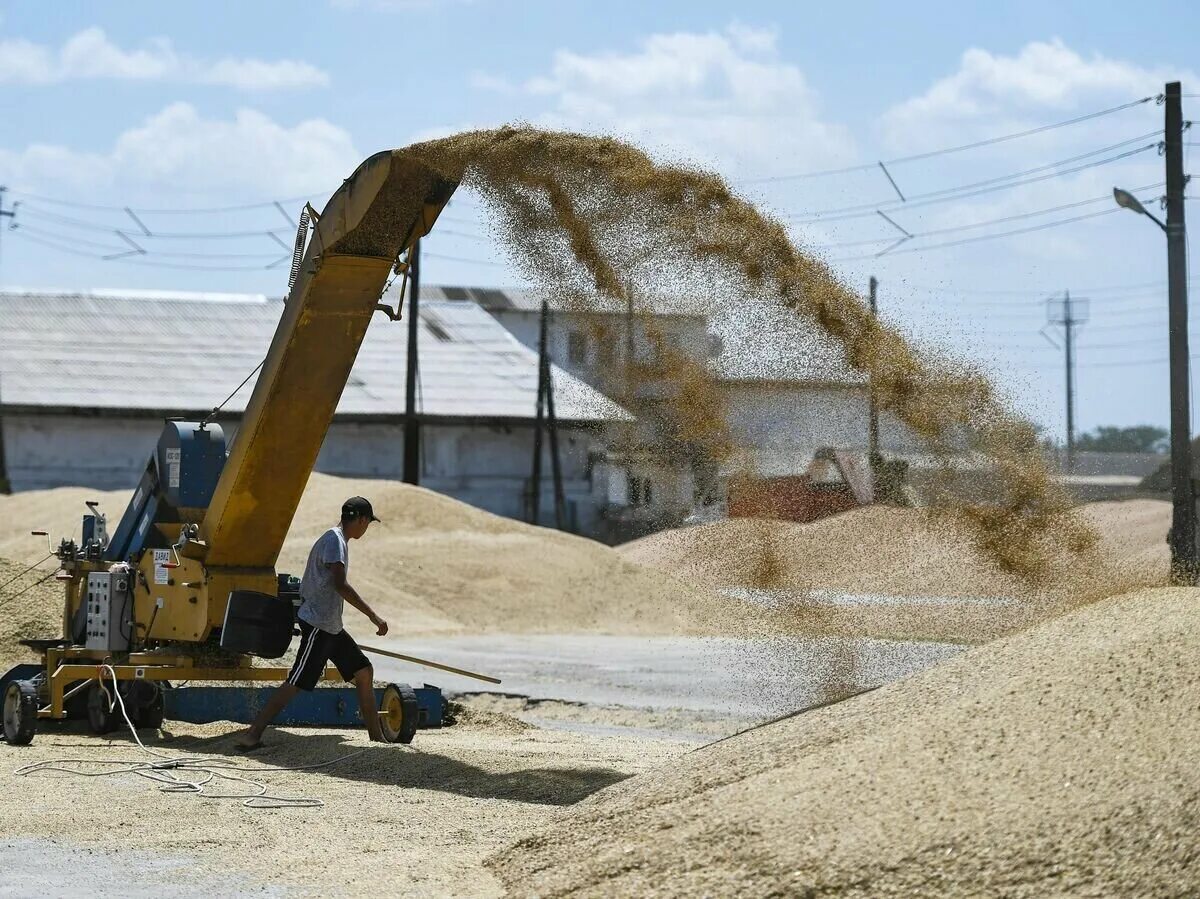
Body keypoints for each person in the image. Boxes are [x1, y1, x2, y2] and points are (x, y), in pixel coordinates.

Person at [236, 496, 390, 749]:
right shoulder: (334, 541)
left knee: (364, 672)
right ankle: (252, 734)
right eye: (367, 523)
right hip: (318, 625)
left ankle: (377, 739)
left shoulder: (337, 540)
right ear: (361, 520)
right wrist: (373, 615)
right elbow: (340, 585)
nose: (366, 528)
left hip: (331, 626)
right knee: (296, 681)